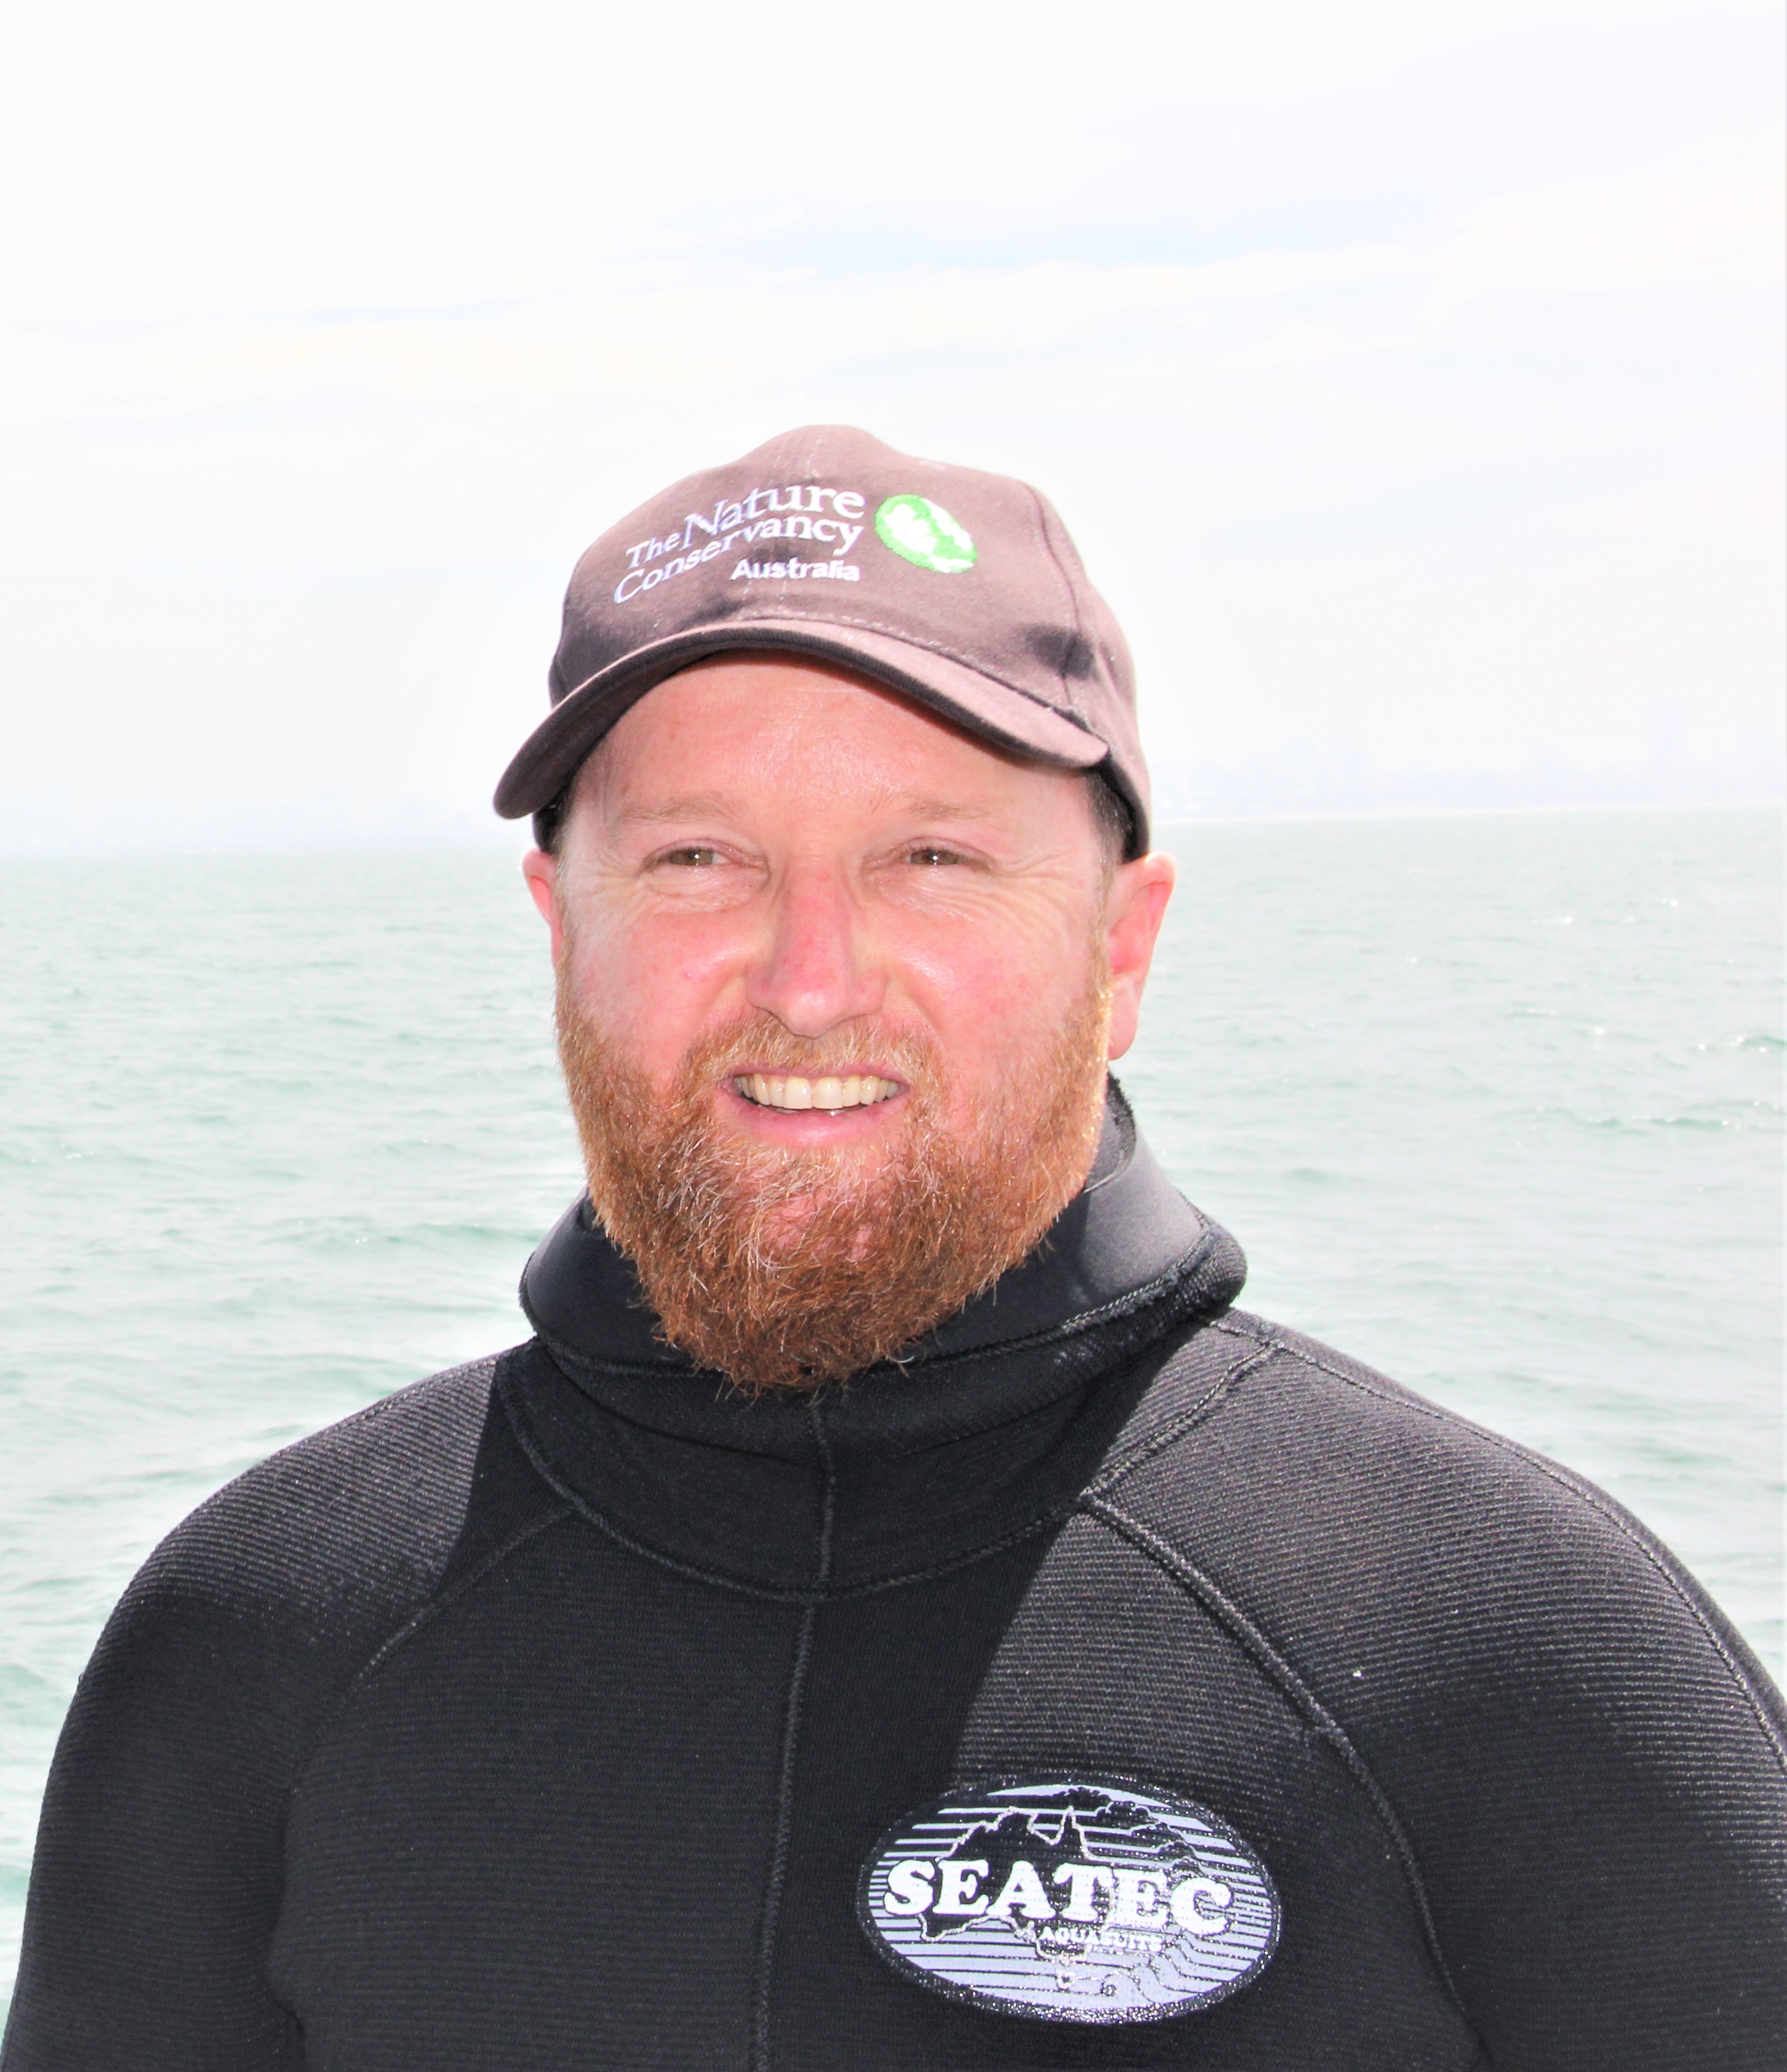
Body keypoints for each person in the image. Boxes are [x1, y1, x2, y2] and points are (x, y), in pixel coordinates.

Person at [4, 426, 1783, 2071]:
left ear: (1123, 943)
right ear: (562, 930)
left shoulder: (1516, 1652)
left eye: (932, 857)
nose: (808, 980)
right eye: (699, 859)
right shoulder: (261, 1642)